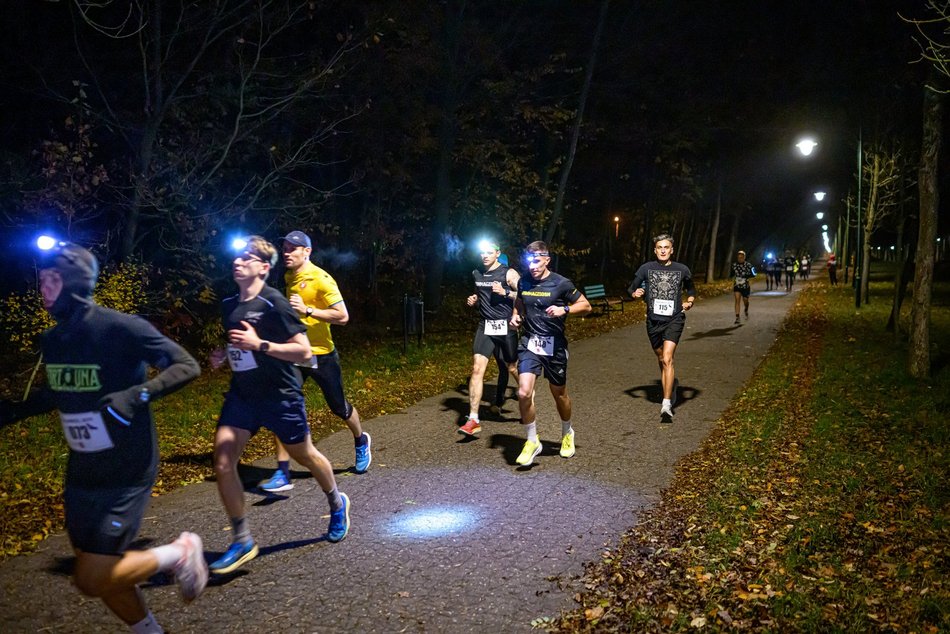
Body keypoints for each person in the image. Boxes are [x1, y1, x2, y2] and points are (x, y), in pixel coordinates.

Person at [0, 239, 206, 633]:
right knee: (101, 569)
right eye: (41, 281)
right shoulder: (54, 339)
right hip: (82, 470)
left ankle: (180, 553)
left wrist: (136, 395)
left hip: (126, 467)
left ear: (75, 282)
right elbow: (64, 392)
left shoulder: (119, 327)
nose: (43, 289)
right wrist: (14, 410)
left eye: (52, 280)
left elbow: (186, 364)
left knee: (90, 577)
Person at [209, 236, 350, 575]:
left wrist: (260, 344)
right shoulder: (229, 303)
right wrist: (225, 355)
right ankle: (242, 539)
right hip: (243, 395)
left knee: (305, 454)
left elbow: (303, 352)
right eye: (236, 257)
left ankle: (336, 500)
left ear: (263, 267)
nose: (238, 262)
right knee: (223, 458)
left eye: (247, 258)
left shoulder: (275, 303)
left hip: (280, 394)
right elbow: (238, 344)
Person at [257, 230, 371, 493]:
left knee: (339, 407)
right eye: (284, 248)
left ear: (306, 251)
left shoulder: (321, 279)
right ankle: (282, 472)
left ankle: (360, 440)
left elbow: (342, 316)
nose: (285, 253)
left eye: (291, 249)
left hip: (322, 355)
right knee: (281, 405)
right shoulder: (288, 276)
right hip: (296, 353)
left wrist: (308, 310)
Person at [509, 241, 591, 465]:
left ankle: (567, 432)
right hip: (530, 343)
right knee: (524, 393)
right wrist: (516, 316)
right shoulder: (524, 281)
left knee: (559, 394)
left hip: (554, 347)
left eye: (537, 261)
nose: (533, 266)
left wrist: (564, 309)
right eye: (529, 262)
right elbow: (520, 301)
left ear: (547, 260)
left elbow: (586, 305)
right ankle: (532, 440)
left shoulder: (561, 283)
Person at [628, 233, 696, 424]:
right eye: (660, 247)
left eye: (666, 247)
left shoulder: (682, 269)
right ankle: (670, 385)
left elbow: (691, 289)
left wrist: (689, 301)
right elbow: (631, 288)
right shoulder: (646, 268)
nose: (663, 250)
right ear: (655, 250)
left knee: (667, 358)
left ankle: (666, 405)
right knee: (660, 357)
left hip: (674, 319)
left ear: (672, 250)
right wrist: (636, 293)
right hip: (653, 321)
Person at [459, 239, 520, 436]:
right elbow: (480, 294)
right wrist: (474, 299)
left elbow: (524, 295)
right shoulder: (477, 273)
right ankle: (473, 419)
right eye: (482, 253)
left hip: (505, 326)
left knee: (511, 367)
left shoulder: (508, 273)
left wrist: (507, 292)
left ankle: (528, 394)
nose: (484, 256)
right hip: (485, 325)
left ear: (497, 253)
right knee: (477, 369)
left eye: (489, 252)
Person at [730, 250, 756, 324]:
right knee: (737, 300)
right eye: (738, 257)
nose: (740, 259)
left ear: (744, 257)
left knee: (745, 300)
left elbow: (754, 274)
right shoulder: (734, 265)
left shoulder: (749, 265)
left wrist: (746, 276)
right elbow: (731, 274)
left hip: (745, 286)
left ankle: (746, 309)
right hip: (737, 285)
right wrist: (732, 276)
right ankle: (737, 317)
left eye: (741, 257)